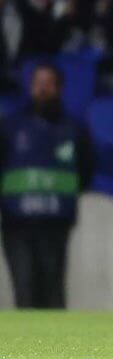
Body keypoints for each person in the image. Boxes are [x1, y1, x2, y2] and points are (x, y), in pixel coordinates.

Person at [0, 64, 92, 308]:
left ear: (59, 89)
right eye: (37, 83)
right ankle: (29, 348)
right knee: (25, 293)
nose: (42, 88)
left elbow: (86, 170)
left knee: (52, 294)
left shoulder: (75, 129)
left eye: (48, 83)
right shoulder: (9, 127)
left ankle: (55, 348)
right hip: (17, 224)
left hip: (55, 224)